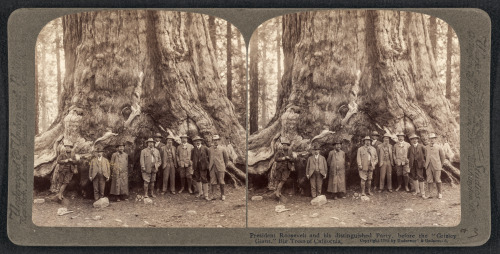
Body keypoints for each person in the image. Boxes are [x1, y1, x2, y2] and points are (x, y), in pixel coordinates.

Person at [425, 133, 445, 199]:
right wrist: (426, 164)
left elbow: (442, 157)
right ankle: (430, 193)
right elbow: (426, 156)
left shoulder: (439, 147)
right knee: (429, 180)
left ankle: (439, 193)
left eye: (433, 138)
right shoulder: (426, 147)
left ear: (435, 139)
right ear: (429, 139)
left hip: (437, 165)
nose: (431, 140)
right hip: (428, 165)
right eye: (430, 139)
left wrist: (440, 165)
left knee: (437, 180)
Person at [208, 135, 229, 201]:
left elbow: (226, 159)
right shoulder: (210, 149)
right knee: (213, 182)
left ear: (219, 140)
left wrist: (223, 166)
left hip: (220, 167)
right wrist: (211, 165)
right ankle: (214, 195)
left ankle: (222, 195)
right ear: (212, 141)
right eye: (214, 140)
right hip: (212, 167)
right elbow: (209, 158)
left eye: (217, 140)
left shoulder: (222, 148)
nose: (215, 141)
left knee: (221, 181)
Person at [408, 134, 427, 199]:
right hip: (413, 164)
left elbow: (426, 155)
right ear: (411, 140)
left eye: (415, 139)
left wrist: (423, 162)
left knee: (420, 177)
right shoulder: (410, 148)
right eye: (412, 139)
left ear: (417, 139)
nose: (414, 140)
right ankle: (417, 191)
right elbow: (408, 156)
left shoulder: (422, 146)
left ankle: (423, 193)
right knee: (414, 177)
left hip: (420, 164)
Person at [191, 135, 210, 200]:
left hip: (203, 166)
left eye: (198, 141)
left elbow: (209, 157)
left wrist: (207, 164)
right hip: (196, 166)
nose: (197, 142)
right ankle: (200, 192)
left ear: (201, 141)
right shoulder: (193, 149)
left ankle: (206, 194)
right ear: (194, 142)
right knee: (197, 179)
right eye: (196, 141)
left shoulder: (205, 148)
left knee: (204, 179)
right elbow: (191, 158)